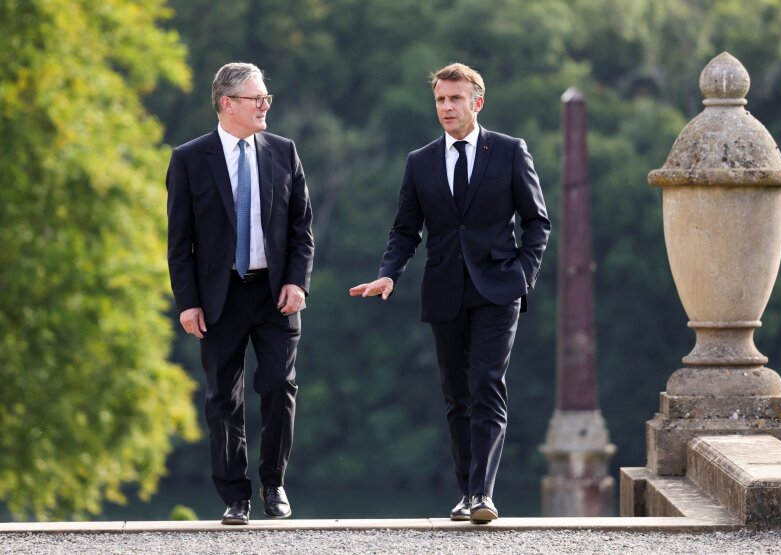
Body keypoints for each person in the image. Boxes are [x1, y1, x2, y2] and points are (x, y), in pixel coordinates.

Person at [349, 62, 550, 524]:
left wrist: (523, 274)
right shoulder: (419, 161)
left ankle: (483, 495)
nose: (446, 107)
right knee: (457, 395)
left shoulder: (510, 151)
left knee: (486, 384)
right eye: (440, 99)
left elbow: (537, 222)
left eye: (455, 98)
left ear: (477, 102)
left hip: (499, 289)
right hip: (443, 290)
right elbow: (405, 229)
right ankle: (466, 493)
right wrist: (389, 273)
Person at [167, 62, 314, 525]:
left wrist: (297, 280)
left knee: (279, 386)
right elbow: (179, 241)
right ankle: (236, 496)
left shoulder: (283, 151)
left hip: (275, 294)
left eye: (267, 97)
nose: (266, 104)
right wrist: (188, 301)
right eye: (258, 99)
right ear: (227, 104)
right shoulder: (190, 159)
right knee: (222, 399)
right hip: (219, 297)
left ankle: (274, 485)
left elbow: (301, 228)